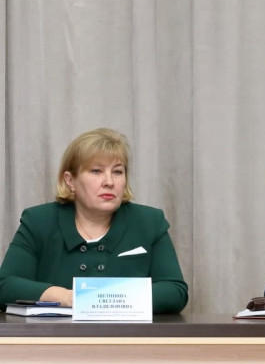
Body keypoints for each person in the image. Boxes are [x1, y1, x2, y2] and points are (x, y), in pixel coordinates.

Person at [0, 128, 188, 313]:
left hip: (127, 332)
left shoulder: (149, 222)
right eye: (96, 171)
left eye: (117, 172)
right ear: (70, 180)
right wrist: (67, 297)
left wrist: (100, 298)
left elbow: (175, 292)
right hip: (56, 333)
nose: (109, 182)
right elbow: (5, 285)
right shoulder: (39, 221)